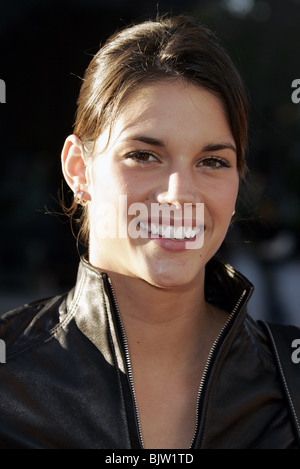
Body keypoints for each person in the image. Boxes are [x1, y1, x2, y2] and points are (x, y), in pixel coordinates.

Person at [0, 14, 299, 450]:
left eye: (212, 161)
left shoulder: (289, 384)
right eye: (144, 155)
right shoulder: (10, 378)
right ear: (79, 169)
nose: (179, 195)